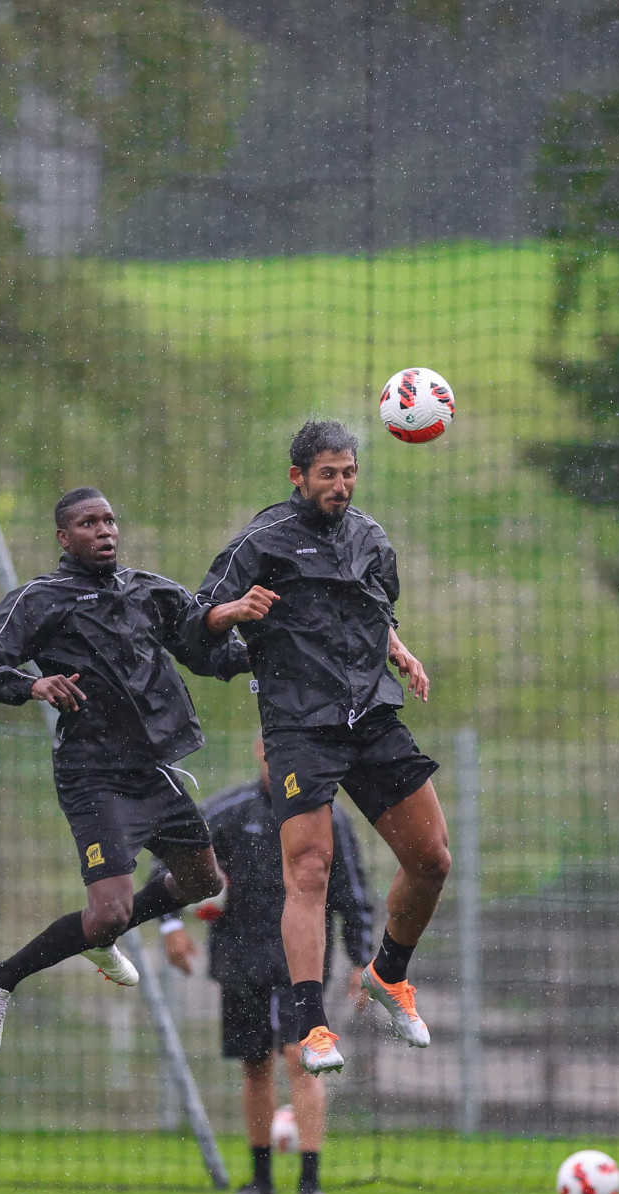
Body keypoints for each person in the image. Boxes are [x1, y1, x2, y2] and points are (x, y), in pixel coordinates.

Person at [187, 419, 451, 1076]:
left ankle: (388, 975)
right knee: (310, 871)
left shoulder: (370, 539)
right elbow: (197, 621)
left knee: (433, 860)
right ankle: (311, 1026)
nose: (340, 485)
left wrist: (397, 647)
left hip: (372, 717)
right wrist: (234, 613)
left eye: (349, 473)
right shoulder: (264, 538)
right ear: (297, 476)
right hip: (300, 723)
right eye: (327, 474)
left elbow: (373, 611)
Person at [0, 488, 249, 1057]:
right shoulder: (41, 599)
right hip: (92, 775)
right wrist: (32, 684)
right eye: (89, 523)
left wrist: (257, 647)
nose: (105, 530)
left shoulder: (147, 591)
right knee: (110, 908)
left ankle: (101, 934)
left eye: (110, 520)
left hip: (151, 770)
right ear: (64, 538)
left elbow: (202, 645)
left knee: (203, 882)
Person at [158, 734, 374, 1194]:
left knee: (303, 1059)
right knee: (255, 1066)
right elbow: (169, 856)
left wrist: (361, 958)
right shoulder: (228, 810)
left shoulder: (327, 815)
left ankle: (310, 1183)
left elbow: (351, 892)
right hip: (239, 961)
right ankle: (260, 1181)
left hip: (303, 968)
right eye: (267, 748)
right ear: (258, 750)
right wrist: (170, 923)